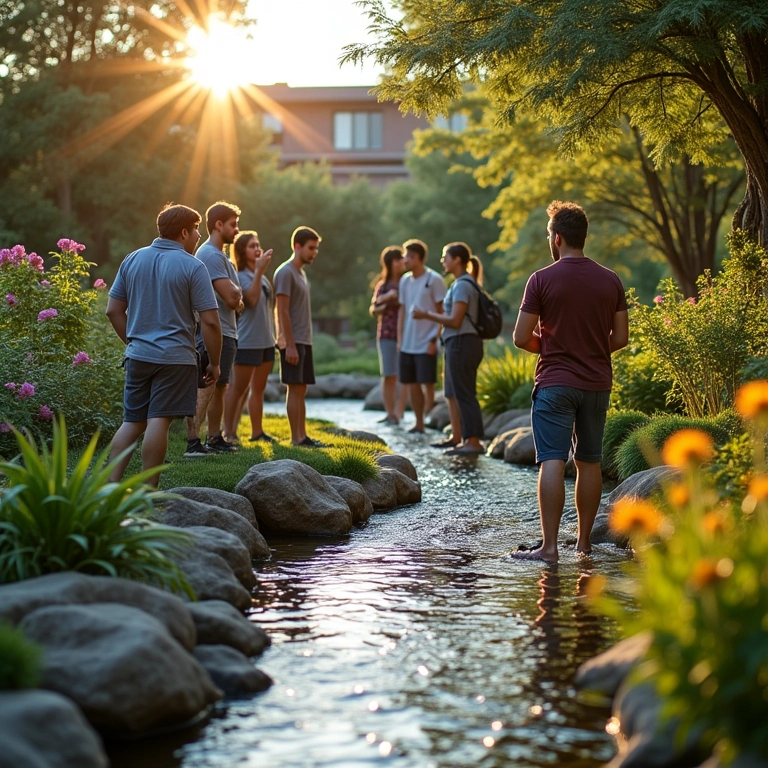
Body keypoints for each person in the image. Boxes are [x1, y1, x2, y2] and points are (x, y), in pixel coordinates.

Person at [511, 201, 629, 562]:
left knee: (552, 460)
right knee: (589, 462)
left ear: (557, 238)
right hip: (596, 383)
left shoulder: (541, 279)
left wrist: (551, 346)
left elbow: (520, 336)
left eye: (549, 234)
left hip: (555, 384)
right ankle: (583, 545)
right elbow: (621, 338)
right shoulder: (610, 279)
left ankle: (548, 548)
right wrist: (591, 348)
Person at [105, 204, 222, 487]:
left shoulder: (132, 259)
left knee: (132, 422)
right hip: (175, 358)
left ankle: (106, 487)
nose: (198, 236)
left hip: (138, 356)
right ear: (184, 232)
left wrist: (133, 341)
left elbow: (113, 310)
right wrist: (215, 363)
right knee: (159, 420)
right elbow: (211, 322)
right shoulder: (193, 266)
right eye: (196, 230)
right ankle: (149, 490)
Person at [413, 242, 485, 456]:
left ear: (457, 260)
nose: (442, 260)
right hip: (456, 342)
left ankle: (473, 441)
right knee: (452, 392)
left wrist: (427, 315)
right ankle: (457, 437)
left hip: (463, 342)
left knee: (465, 393)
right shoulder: (458, 284)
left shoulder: (463, 285)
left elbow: (455, 320)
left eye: (446, 257)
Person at [184, 201, 244, 456]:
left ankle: (214, 438)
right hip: (213, 329)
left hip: (227, 330)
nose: (237, 230)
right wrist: (237, 295)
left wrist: (237, 295)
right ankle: (192, 442)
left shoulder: (221, 257)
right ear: (218, 225)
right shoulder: (210, 255)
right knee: (206, 385)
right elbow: (233, 299)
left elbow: (237, 297)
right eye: (234, 225)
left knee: (219, 386)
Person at [274, 225, 326, 447]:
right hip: (293, 341)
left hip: (304, 339)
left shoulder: (301, 273)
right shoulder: (285, 272)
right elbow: (282, 309)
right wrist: (290, 345)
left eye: (316, 249)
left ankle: (302, 436)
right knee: (294, 387)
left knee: (301, 387)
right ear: (297, 246)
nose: (314, 253)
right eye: (311, 248)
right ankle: (296, 438)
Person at [222, 230, 275, 444]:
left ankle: (257, 432)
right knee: (238, 389)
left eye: (258, 244)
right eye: (252, 245)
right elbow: (251, 300)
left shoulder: (258, 276)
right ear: (242, 251)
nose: (257, 248)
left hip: (266, 341)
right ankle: (228, 432)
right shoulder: (240, 276)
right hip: (247, 341)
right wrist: (260, 271)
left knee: (257, 390)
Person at [397, 239, 446, 433]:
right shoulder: (404, 280)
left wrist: (435, 339)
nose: (405, 259)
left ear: (418, 258)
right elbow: (402, 311)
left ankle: (429, 418)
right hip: (408, 342)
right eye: (405, 255)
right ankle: (418, 423)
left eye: (408, 256)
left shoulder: (433, 279)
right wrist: (399, 339)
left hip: (427, 341)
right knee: (412, 383)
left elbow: (443, 312)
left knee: (428, 382)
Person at [369, 245, 408, 425]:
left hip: (406, 334)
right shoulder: (382, 286)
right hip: (385, 334)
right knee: (388, 375)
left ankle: (400, 413)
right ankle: (390, 413)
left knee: (404, 375)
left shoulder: (407, 282)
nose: (403, 262)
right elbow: (374, 309)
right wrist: (386, 299)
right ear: (393, 262)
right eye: (400, 259)